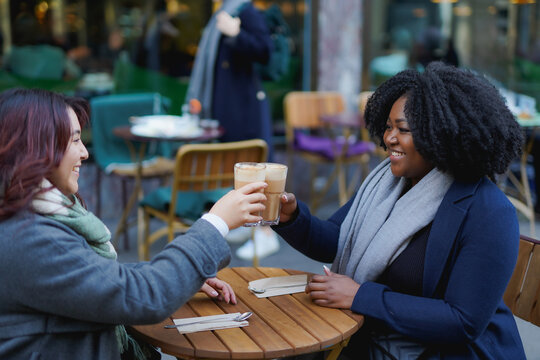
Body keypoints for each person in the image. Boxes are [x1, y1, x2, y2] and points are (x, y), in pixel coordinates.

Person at [273, 62, 526, 359]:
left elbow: (462, 322)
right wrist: (291, 216)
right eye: (388, 126)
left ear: (441, 135)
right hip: (373, 336)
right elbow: (336, 239)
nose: (389, 139)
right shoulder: (386, 183)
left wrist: (359, 296)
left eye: (403, 129)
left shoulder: (488, 211)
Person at [0, 88, 268, 359]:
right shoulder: (29, 236)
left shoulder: (23, 217)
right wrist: (216, 221)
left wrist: (182, 278)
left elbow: (95, 281)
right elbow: (140, 297)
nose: (84, 153)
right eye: (74, 140)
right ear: (35, 147)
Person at [186, 0, 279, 261]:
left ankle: (265, 235)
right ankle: (243, 224)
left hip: (245, 109)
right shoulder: (225, 11)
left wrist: (237, 33)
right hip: (230, 108)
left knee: (256, 170)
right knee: (237, 170)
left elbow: (265, 50)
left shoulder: (245, 11)